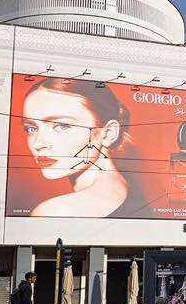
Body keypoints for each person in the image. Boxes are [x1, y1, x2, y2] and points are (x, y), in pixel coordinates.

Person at [20, 79, 132, 218]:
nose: (38, 143)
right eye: (31, 128)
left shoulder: (57, 212)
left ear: (108, 133)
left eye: (62, 126)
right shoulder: (123, 187)